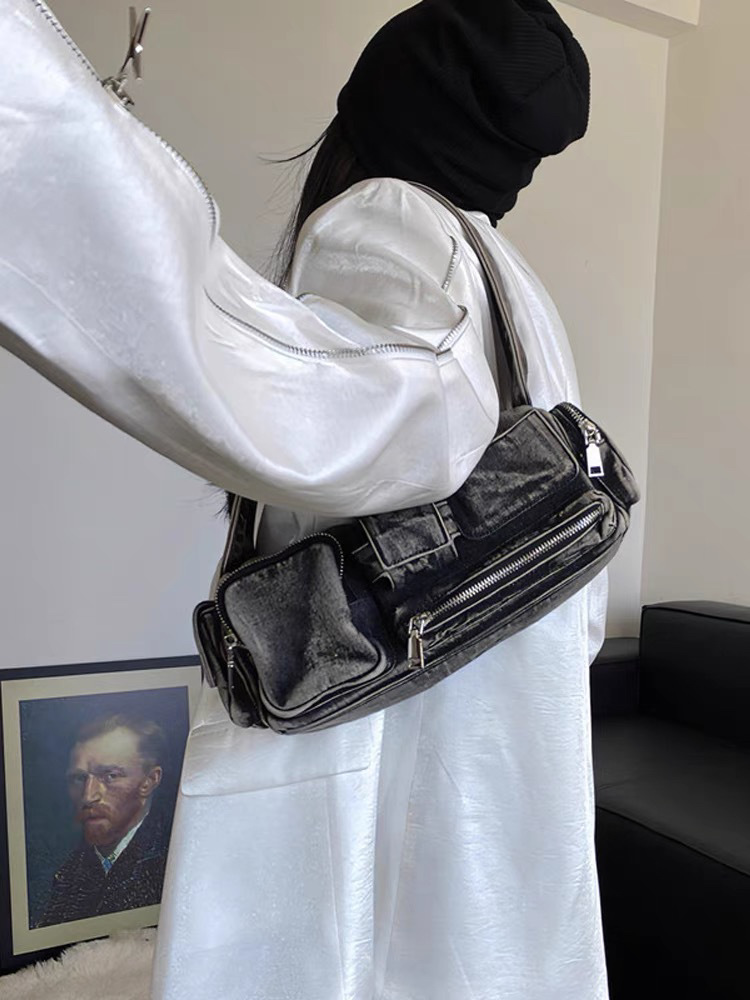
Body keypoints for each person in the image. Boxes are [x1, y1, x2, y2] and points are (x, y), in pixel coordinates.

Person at [0, 0, 610, 996]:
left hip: (382, 780)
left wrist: (44, 146)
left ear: (378, 111)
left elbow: (340, 417)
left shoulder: (393, 219)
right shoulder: (513, 286)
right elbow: (572, 596)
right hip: (496, 777)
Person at [36, 714, 169, 927]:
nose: (88, 796)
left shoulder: (173, 859)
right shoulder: (63, 874)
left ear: (149, 781)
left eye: (110, 776)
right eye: (79, 778)